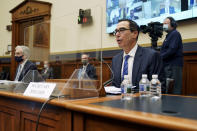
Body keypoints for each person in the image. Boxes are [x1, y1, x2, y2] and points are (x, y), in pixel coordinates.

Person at [112, 19, 164, 91]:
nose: (117, 34)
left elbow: (158, 88)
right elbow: (115, 86)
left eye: (122, 30)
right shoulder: (116, 59)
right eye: (116, 31)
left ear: (135, 34)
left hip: (143, 100)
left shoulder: (151, 56)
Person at [160, 16, 183, 94]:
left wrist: (160, 57)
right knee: (169, 88)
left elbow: (172, 50)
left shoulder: (175, 34)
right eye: (163, 24)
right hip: (168, 65)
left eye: (166, 23)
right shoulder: (169, 35)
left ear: (172, 24)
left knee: (174, 89)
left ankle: (176, 105)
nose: (164, 26)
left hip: (173, 65)